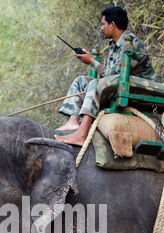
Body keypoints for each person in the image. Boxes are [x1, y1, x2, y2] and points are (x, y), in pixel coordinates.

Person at [55, 6, 155, 146]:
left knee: (95, 84)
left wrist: (92, 61)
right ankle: (73, 122)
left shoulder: (131, 43)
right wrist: (91, 62)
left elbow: (116, 74)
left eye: (103, 24)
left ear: (112, 25)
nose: (102, 28)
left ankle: (82, 135)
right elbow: (110, 74)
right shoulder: (113, 44)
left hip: (138, 85)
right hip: (121, 81)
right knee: (81, 81)